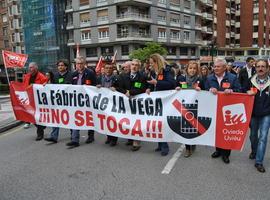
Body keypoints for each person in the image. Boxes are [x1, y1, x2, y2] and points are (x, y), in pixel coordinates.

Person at [205, 58, 241, 164]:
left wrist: (232, 90)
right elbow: (204, 90)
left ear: (224, 67)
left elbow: (240, 90)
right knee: (217, 130)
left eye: (218, 66)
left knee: (226, 131)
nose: (215, 68)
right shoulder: (209, 78)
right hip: (214, 109)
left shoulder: (233, 78)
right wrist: (209, 90)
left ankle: (226, 154)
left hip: (228, 110)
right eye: (214, 66)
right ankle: (218, 150)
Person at [114, 59, 147, 151]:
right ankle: (130, 138)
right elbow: (117, 87)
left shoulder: (142, 77)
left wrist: (131, 92)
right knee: (128, 121)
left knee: (136, 122)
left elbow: (142, 88)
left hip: (137, 103)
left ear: (139, 67)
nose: (134, 66)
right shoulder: (123, 76)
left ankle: (136, 142)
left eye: (136, 65)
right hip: (126, 103)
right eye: (133, 64)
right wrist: (125, 92)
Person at [146, 53, 176, 156]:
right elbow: (150, 83)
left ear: (156, 62)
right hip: (155, 100)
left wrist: (157, 83)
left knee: (162, 124)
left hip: (164, 101)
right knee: (156, 123)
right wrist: (149, 88)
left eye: (151, 63)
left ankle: (165, 147)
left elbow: (172, 84)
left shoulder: (167, 70)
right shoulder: (153, 72)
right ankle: (160, 144)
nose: (150, 65)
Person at [66, 56, 97, 148]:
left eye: (81, 63)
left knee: (89, 118)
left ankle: (91, 136)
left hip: (88, 100)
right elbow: (68, 85)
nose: (79, 65)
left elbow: (95, 84)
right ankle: (75, 139)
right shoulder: (73, 74)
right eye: (77, 63)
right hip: (76, 101)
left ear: (84, 64)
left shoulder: (90, 73)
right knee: (75, 118)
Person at [246, 59, 270, 173]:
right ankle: (254, 151)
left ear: (267, 68)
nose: (260, 68)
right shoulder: (250, 80)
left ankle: (259, 162)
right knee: (253, 136)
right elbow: (241, 91)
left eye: (263, 66)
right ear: (255, 68)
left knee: (263, 137)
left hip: (266, 114)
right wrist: (247, 92)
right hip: (253, 113)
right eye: (258, 66)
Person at [176, 61, 204, 158]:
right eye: (190, 68)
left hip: (196, 107)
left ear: (197, 70)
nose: (192, 70)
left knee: (193, 127)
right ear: (187, 69)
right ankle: (187, 148)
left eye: (194, 68)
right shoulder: (181, 78)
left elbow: (205, 91)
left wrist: (201, 90)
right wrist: (178, 88)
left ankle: (193, 142)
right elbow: (174, 88)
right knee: (185, 127)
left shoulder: (200, 79)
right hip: (184, 107)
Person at [44, 59, 73, 144]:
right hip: (58, 101)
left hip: (69, 101)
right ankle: (54, 137)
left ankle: (73, 136)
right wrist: (46, 86)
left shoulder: (71, 75)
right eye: (59, 65)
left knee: (70, 118)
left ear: (66, 66)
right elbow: (51, 86)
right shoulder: (55, 76)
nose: (60, 67)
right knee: (56, 118)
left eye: (62, 65)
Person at [23, 62, 48, 140]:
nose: (30, 69)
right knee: (31, 116)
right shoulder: (27, 76)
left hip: (38, 100)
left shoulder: (41, 76)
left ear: (36, 68)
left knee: (37, 116)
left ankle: (40, 134)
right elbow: (24, 86)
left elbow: (45, 86)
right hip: (30, 99)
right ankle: (42, 126)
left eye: (32, 67)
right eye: (29, 67)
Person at [97, 61, 118, 146]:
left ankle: (114, 139)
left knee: (113, 121)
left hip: (113, 103)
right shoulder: (99, 78)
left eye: (110, 68)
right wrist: (97, 87)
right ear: (104, 69)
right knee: (106, 121)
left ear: (113, 69)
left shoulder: (117, 78)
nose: (108, 70)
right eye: (106, 68)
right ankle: (109, 137)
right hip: (104, 103)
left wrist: (116, 88)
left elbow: (121, 88)